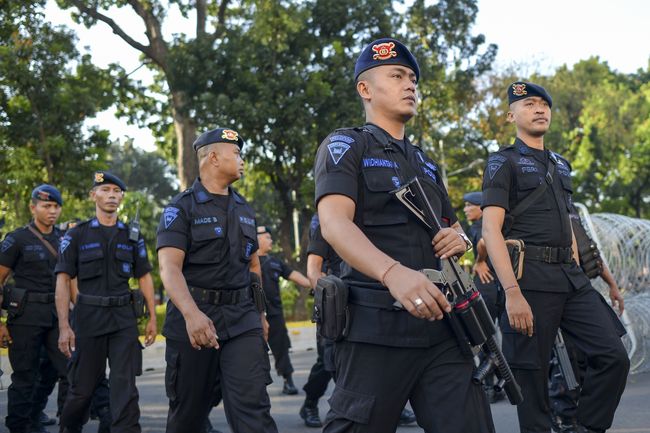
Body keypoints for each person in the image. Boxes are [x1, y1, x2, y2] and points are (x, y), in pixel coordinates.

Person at [313, 37, 494, 433]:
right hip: (376, 326)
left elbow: (454, 227)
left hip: (443, 325)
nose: (410, 84)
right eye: (397, 76)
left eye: (412, 77)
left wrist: (459, 241)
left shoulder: (425, 163)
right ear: (365, 89)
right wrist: (393, 272)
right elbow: (335, 223)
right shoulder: (347, 146)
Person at [481, 81, 629, 433]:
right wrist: (512, 293)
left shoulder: (561, 165)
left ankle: (586, 427)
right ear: (511, 115)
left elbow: (567, 220)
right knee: (531, 379)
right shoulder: (503, 161)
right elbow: (491, 231)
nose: (539, 109)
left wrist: (585, 272)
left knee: (613, 356)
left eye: (544, 104)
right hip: (529, 279)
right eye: (529, 103)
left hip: (569, 276)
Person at [156, 127, 278, 433]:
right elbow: (169, 267)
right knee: (189, 414)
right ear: (213, 157)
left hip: (242, 321)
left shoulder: (245, 209)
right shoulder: (180, 207)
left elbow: (253, 267)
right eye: (236, 153)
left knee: (254, 409)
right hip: (195, 321)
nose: (242, 160)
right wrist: (191, 314)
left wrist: (260, 314)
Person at [55, 171, 158, 433]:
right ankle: (70, 427)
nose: (111, 195)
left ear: (122, 196)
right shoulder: (76, 235)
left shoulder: (132, 236)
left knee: (125, 386)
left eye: (116, 191)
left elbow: (144, 276)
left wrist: (152, 318)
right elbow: (63, 280)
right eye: (105, 190)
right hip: (89, 317)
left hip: (123, 317)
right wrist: (64, 326)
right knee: (82, 388)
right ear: (94, 195)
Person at [300, 214, 417, 429]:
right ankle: (310, 404)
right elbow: (313, 270)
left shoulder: (370, 221)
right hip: (339, 305)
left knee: (380, 361)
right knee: (328, 363)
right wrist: (330, 302)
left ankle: (387, 405)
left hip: (372, 305)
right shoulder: (329, 221)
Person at [548, 204, 625, 432]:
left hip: (580, 289)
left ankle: (585, 425)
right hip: (556, 292)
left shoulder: (569, 207)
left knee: (604, 358)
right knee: (565, 363)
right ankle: (565, 422)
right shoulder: (540, 206)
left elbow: (590, 252)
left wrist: (612, 285)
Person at [0, 185, 69, 433]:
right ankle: (21, 426)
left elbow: (72, 281)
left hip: (58, 316)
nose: (52, 211)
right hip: (25, 317)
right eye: (46, 206)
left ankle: (64, 423)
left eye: (56, 206)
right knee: (25, 376)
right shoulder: (16, 239)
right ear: (33, 207)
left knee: (68, 370)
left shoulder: (64, 239)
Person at [256, 225, 311, 394]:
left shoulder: (275, 262)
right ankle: (256, 387)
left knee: (282, 349)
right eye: (267, 237)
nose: (271, 240)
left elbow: (296, 276)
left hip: (275, 315)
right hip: (254, 315)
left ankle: (288, 381)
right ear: (256, 238)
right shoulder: (246, 262)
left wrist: (315, 283)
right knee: (254, 352)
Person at [463, 191, 505, 404]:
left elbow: (483, 243)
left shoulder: (481, 227)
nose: (465, 209)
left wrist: (479, 261)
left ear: (481, 208)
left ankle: (489, 387)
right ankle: (499, 383)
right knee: (489, 338)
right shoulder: (480, 226)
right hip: (496, 287)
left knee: (483, 337)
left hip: (486, 288)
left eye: (470, 205)